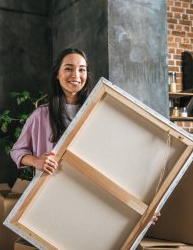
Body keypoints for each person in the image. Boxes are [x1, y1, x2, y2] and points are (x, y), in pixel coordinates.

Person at [10, 47, 161, 222]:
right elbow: (17, 151)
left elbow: (119, 161)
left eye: (81, 70)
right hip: (51, 198)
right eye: (68, 68)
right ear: (57, 75)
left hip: (90, 196)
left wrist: (142, 206)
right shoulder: (40, 116)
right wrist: (36, 161)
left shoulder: (100, 112)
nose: (75, 75)